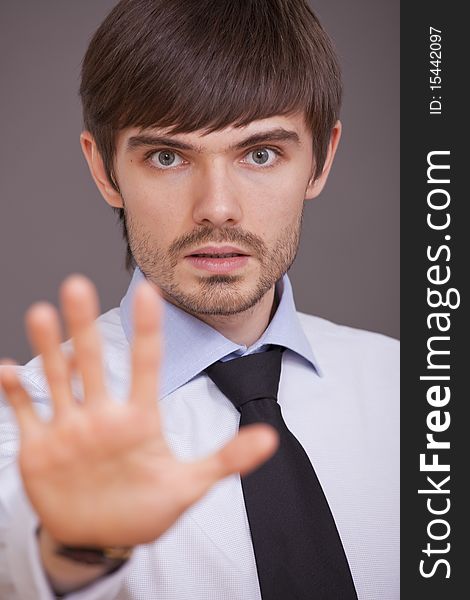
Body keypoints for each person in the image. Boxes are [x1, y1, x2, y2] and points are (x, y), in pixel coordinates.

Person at [0, 1, 399, 598]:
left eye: (260, 154)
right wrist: (77, 552)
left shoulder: (412, 390)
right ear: (105, 170)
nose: (217, 206)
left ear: (321, 159)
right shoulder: (31, 425)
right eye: (167, 157)